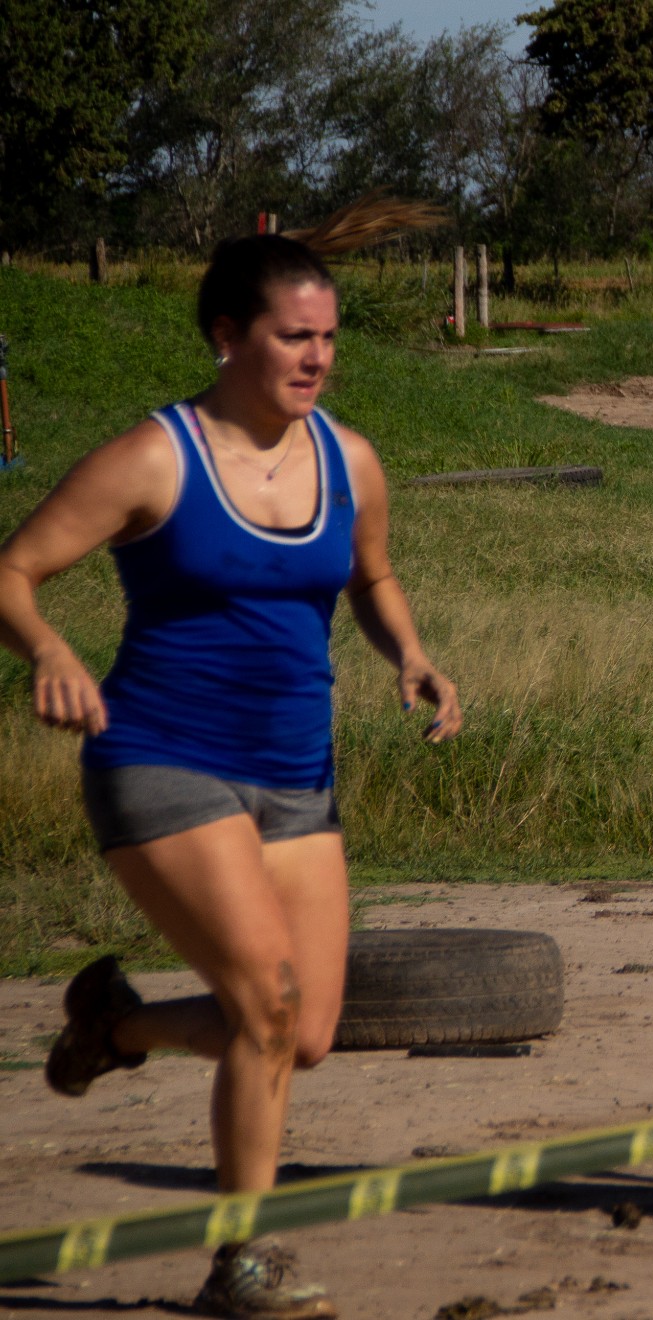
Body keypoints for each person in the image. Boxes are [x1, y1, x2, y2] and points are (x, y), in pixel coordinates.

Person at [0, 204, 461, 1318]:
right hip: (160, 758)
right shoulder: (154, 457)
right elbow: (11, 570)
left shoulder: (350, 458)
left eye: (329, 338)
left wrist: (409, 653)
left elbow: (371, 576)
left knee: (300, 1034)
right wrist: (54, 651)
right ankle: (240, 1262)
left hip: (296, 775)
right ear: (226, 335)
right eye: (293, 336)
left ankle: (117, 1026)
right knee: (260, 1003)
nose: (317, 358)